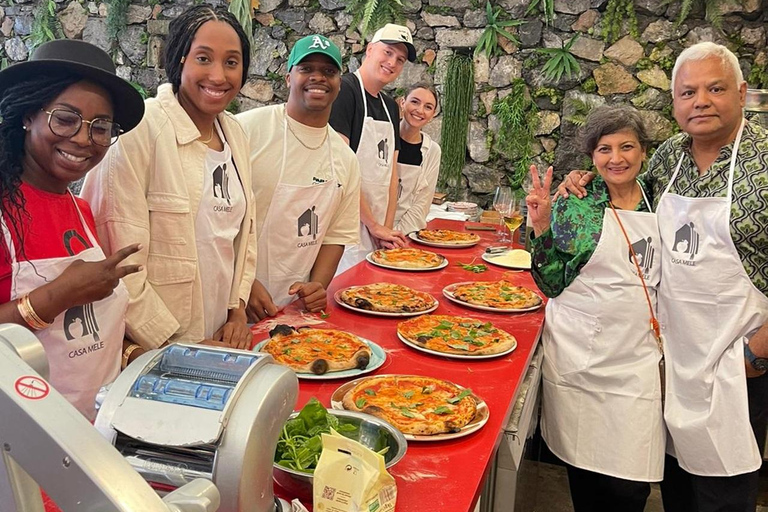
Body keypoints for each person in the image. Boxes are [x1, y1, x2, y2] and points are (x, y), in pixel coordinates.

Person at [558, 42, 768, 512]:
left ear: (741, 91)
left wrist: (755, 357)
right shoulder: (669, 158)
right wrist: (580, 183)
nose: (701, 101)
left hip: (737, 368)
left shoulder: (765, 161)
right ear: (674, 102)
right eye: (688, 92)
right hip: (671, 366)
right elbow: (624, 193)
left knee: (723, 499)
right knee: (677, 493)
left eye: (715, 89)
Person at [81, 5, 258, 363]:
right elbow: (116, 262)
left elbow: (243, 235)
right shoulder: (140, 130)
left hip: (221, 337)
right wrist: (174, 345)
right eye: (203, 58)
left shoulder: (235, 133)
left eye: (231, 62)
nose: (218, 75)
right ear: (178, 60)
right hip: (154, 348)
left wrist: (237, 308)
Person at [527, 106, 664, 512]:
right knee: (585, 477)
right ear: (592, 157)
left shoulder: (663, 201)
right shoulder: (578, 202)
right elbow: (551, 282)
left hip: (636, 359)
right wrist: (541, 226)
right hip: (581, 359)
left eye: (627, 147)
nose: (616, 158)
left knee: (631, 486)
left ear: (643, 153)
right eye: (604, 149)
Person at [0, 39, 144, 419]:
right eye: (65, 119)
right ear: (28, 115)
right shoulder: (4, 211)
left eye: (100, 128)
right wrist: (55, 296)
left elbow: (89, 327)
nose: (83, 139)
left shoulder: (80, 210)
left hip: (92, 432)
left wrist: (131, 354)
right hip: (25, 444)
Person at [236, 35, 361, 320]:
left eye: (329, 72)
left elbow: (335, 235)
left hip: (293, 312)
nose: (318, 77)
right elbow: (215, 218)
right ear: (288, 77)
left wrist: (317, 285)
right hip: (230, 301)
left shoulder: (345, 159)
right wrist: (244, 283)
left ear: (339, 83)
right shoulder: (246, 130)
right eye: (306, 69)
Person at [329, 23, 415, 271]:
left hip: (376, 228)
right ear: (369, 49)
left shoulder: (390, 107)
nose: (392, 62)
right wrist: (372, 225)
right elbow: (341, 172)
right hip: (345, 226)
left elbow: (391, 175)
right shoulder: (345, 91)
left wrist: (384, 229)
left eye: (400, 59)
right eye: (388, 52)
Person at [393, 82, 441, 234]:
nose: (420, 110)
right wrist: (378, 230)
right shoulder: (383, 138)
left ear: (432, 115)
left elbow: (422, 203)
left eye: (428, 107)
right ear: (402, 102)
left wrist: (397, 234)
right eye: (415, 102)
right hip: (368, 231)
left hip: (405, 235)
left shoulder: (432, 151)